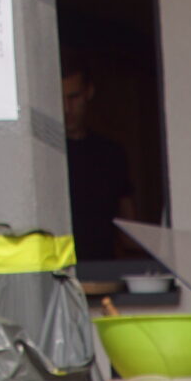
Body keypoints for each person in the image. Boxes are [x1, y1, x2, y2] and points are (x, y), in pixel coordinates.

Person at [61, 57, 137, 267]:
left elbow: (128, 232)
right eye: (59, 98)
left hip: (103, 271)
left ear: (89, 92)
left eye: (73, 97)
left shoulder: (111, 154)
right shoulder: (47, 156)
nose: (66, 108)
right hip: (59, 271)